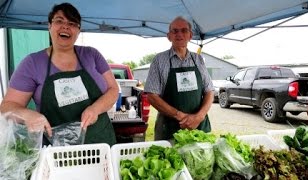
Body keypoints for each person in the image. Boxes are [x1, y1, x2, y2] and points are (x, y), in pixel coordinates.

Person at [0, 3, 118, 146]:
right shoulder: (32, 63)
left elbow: (113, 89)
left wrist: (95, 109)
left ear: (78, 31)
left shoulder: (91, 55)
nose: (66, 26)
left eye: (72, 23)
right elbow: (7, 107)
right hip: (57, 149)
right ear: (49, 26)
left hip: (99, 142)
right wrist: (27, 115)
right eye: (59, 21)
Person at [144, 16, 214, 140]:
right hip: (169, 129)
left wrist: (199, 116)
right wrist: (180, 116)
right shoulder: (159, 60)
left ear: (190, 35)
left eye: (184, 30)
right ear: (169, 36)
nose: (179, 34)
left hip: (198, 128)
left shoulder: (198, 60)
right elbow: (152, 96)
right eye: (175, 31)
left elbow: (209, 91)